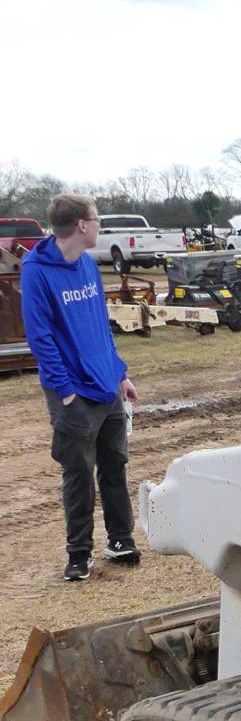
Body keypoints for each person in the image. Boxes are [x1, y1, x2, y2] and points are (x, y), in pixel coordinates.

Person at [20, 193, 141, 581]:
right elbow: (40, 339)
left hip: (108, 387)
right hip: (73, 396)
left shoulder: (88, 264)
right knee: (78, 474)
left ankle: (120, 539)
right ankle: (79, 554)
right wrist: (66, 392)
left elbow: (100, 326)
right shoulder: (37, 271)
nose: (100, 225)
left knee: (114, 468)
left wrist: (120, 374)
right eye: (97, 219)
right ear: (82, 226)